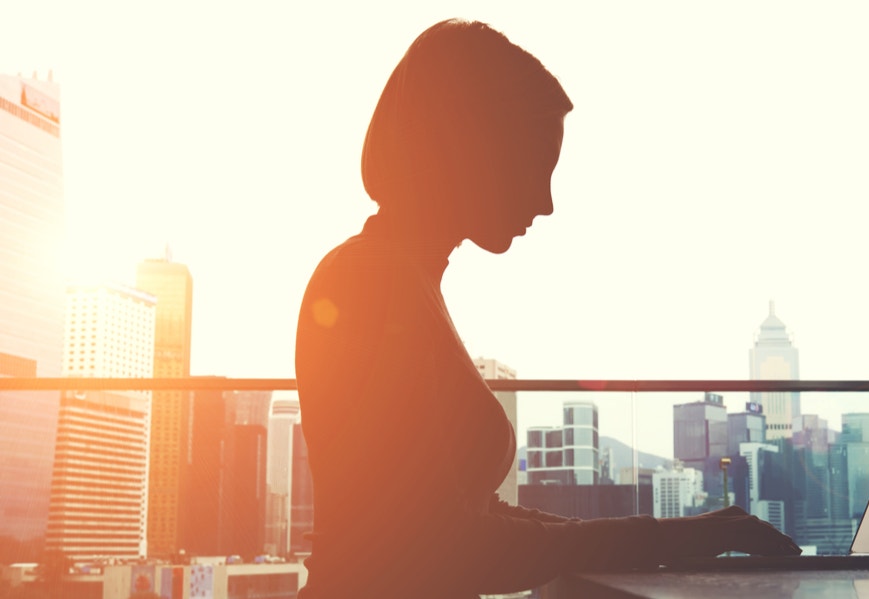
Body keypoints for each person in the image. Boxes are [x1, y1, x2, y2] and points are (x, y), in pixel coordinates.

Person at [294, 19, 802, 598]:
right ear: (469, 150)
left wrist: (671, 534)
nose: (547, 201)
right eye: (535, 165)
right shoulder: (373, 283)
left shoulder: (396, 279)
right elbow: (447, 546)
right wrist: (672, 538)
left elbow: (466, 517)